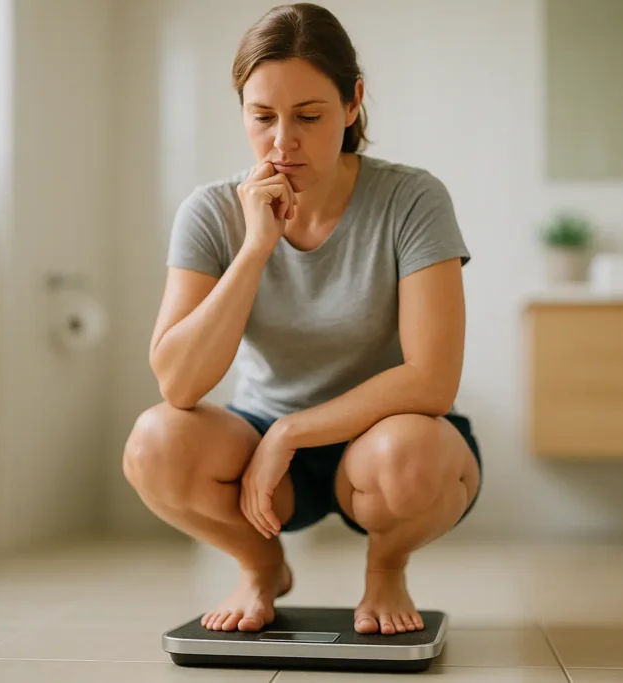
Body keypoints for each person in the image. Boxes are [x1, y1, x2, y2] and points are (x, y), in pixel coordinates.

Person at [122, 2, 482, 637]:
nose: (282, 142)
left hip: (384, 441)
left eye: (309, 117)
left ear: (352, 103)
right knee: (154, 443)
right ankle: (260, 565)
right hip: (258, 441)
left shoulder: (412, 199)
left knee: (409, 454)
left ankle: (387, 566)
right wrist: (256, 248)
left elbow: (432, 381)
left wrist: (289, 433)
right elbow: (177, 383)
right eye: (262, 117)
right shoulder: (211, 212)